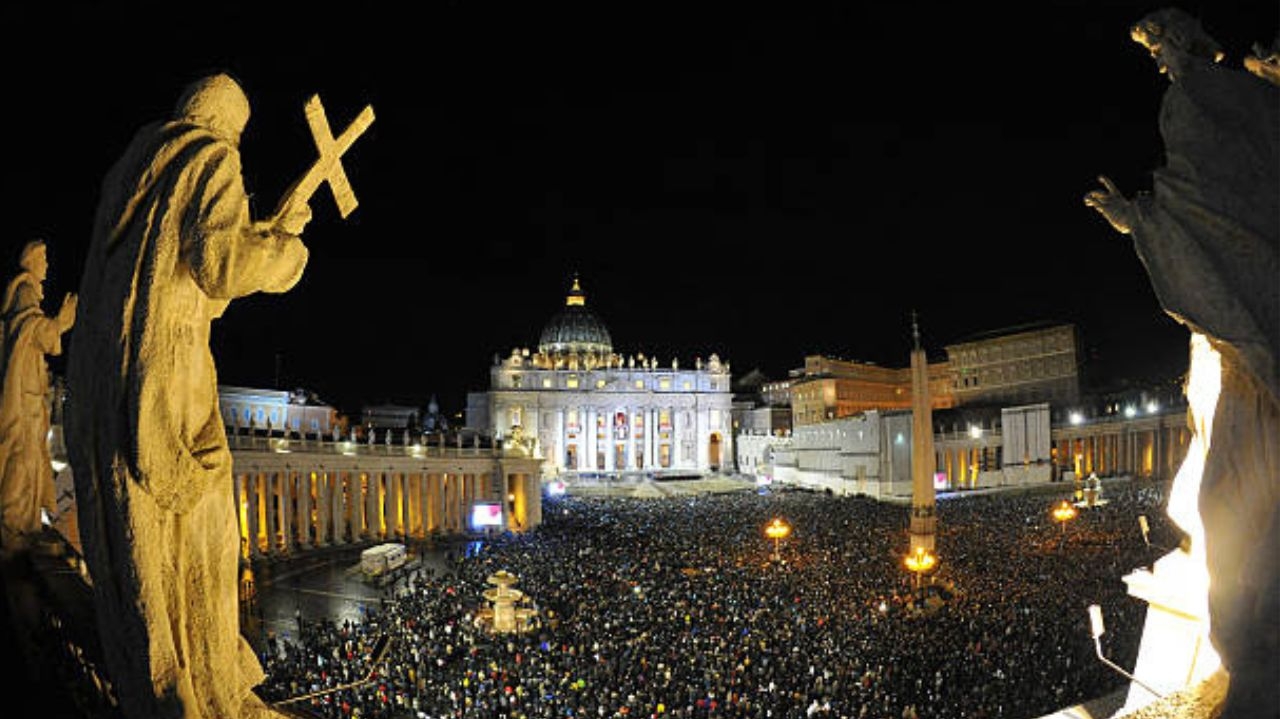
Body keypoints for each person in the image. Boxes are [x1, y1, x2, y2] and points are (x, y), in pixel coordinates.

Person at [66, 73, 313, 719]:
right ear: (230, 124)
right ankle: (201, 681)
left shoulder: (135, 172)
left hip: (111, 383)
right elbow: (220, 264)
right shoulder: (211, 156)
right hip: (168, 381)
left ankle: (156, 672)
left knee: (140, 539)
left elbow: (189, 275)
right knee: (202, 534)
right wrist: (286, 254)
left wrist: (265, 228)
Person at [1084, 8, 1278, 718]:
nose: (1160, 60)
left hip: (1256, 372)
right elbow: (1204, 214)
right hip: (1247, 366)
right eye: (1153, 51)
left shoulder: (1212, 103)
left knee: (1234, 520)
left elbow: (1211, 215)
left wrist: (1143, 221)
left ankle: (1258, 666)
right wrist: (1144, 220)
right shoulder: (1231, 105)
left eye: (1162, 45)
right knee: (1227, 515)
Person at [0, 239, 77, 556]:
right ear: (31, 261)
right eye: (43, 260)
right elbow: (30, 329)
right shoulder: (25, 291)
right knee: (23, 455)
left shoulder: (28, 292)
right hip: (24, 397)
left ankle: (24, 523)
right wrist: (61, 323)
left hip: (30, 393)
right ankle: (14, 525)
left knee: (30, 456)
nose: (46, 265)